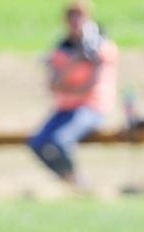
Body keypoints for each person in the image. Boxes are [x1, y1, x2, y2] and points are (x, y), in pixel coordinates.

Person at [28, 2, 119, 189]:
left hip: (92, 108)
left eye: (80, 16)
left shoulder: (100, 47)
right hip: (65, 109)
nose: (75, 21)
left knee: (59, 141)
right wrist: (75, 60)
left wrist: (67, 85)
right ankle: (73, 181)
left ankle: (80, 184)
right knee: (37, 143)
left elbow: (92, 87)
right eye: (71, 16)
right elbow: (53, 85)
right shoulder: (63, 48)